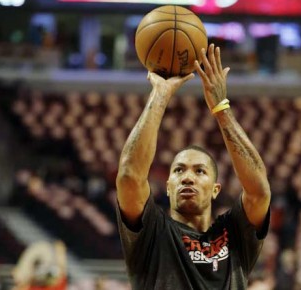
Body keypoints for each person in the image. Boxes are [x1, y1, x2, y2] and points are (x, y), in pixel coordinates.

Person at [116, 43, 271, 290]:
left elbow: (259, 191)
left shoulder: (234, 234)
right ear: (167, 187)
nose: (187, 177)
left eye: (200, 171)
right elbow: (128, 177)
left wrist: (221, 109)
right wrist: (161, 93)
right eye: (178, 170)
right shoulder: (153, 233)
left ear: (216, 189)